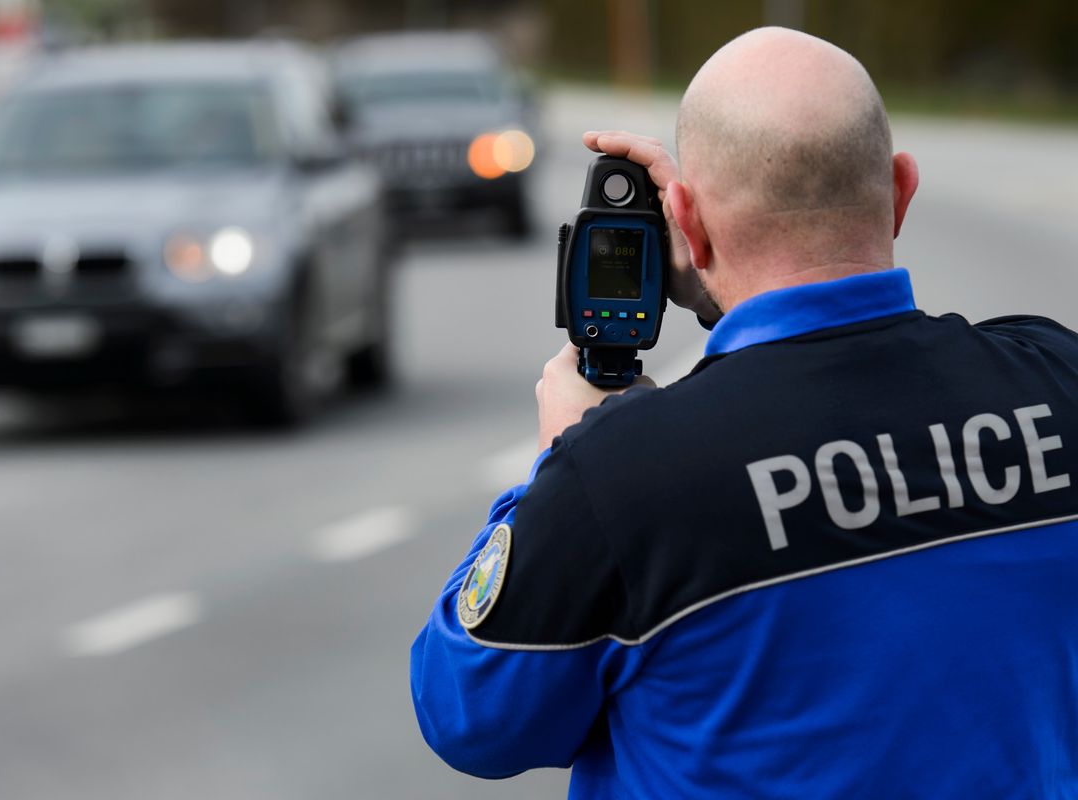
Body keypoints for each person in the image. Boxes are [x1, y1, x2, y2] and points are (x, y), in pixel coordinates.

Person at [411, 26, 1078, 799]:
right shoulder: (1056, 378)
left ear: (685, 223)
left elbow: (471, 718)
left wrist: (557, 471)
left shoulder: (622, 477)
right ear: (901, 191)